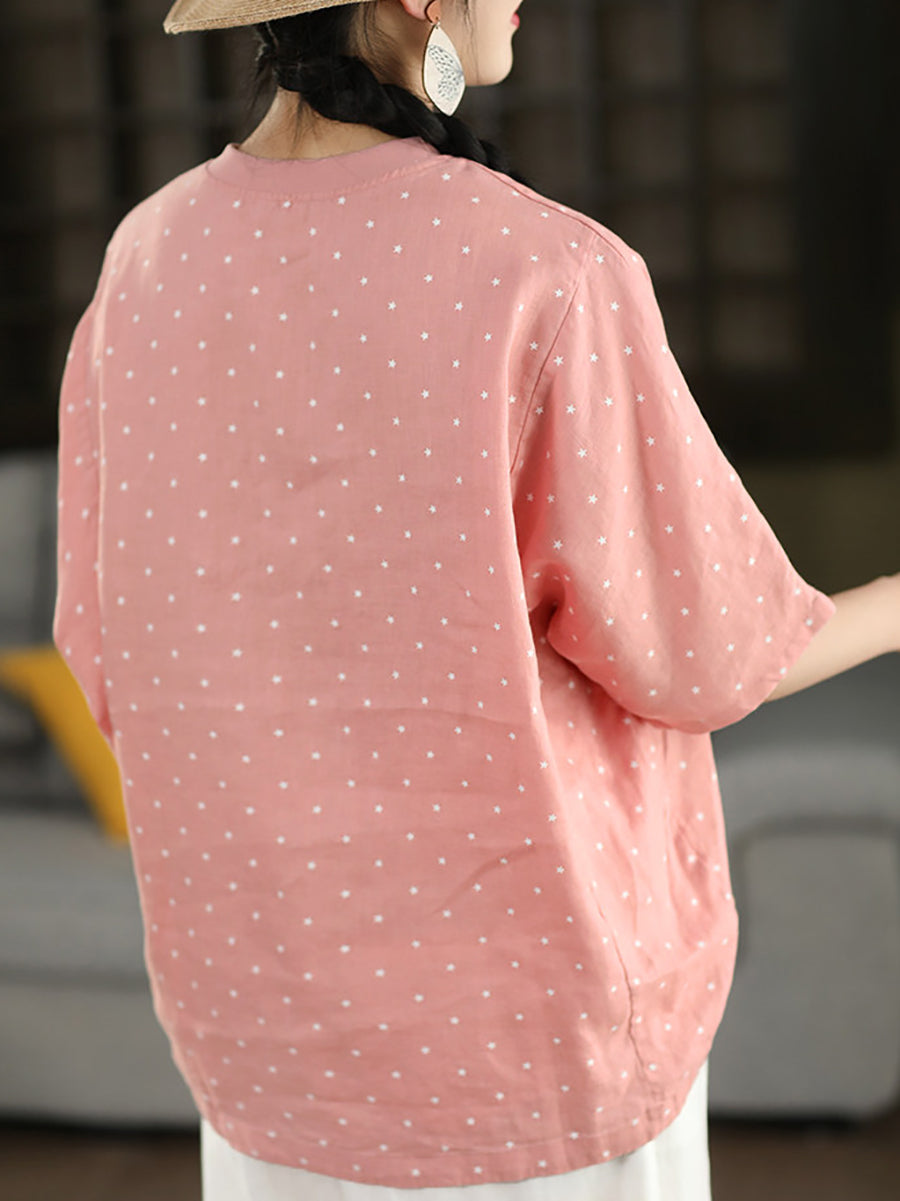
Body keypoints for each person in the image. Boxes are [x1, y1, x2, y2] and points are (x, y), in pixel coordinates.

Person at [51, 2, 899, 1199]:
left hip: (263, 1055)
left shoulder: (144, 262)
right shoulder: (548, 270)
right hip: (536, 1062)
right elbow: (710, 650)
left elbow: (105, 656)